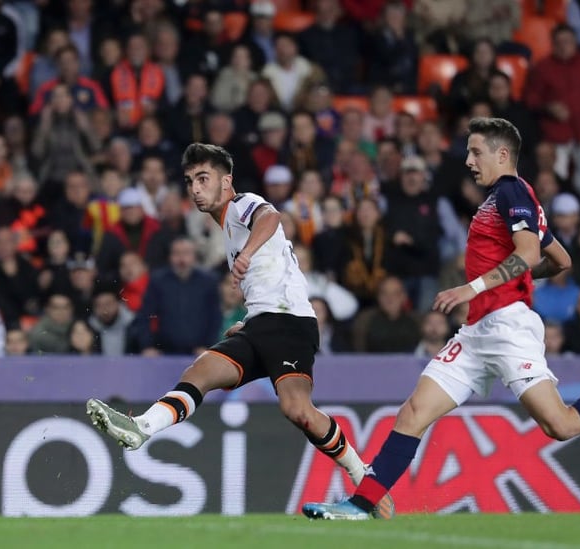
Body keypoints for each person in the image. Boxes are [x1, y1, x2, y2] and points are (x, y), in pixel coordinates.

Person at [303, 117, 580, 521]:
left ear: (501, 154)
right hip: (478, 330)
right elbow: (560, 260)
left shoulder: (512, 192)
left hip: (508, 326)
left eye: (475, 152)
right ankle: (361, 505)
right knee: (413, 412)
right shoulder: (508, 199)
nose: (468, 160)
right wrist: (497, 285)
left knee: (560, 425)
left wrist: (473, 288)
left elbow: (529, 254)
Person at [87, 144, 392, 513]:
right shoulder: (228, 225)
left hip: (289, 324)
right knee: (199, 371)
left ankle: (366, 480)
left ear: (226, 181)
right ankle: (142, 428)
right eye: (189, 181)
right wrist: (248, 321)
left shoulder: (241, 203)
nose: (195, 188)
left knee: (298, 410)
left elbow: (271, 216)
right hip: (262, 324)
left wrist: (246, 254)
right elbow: (275, 275)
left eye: (203, 179)